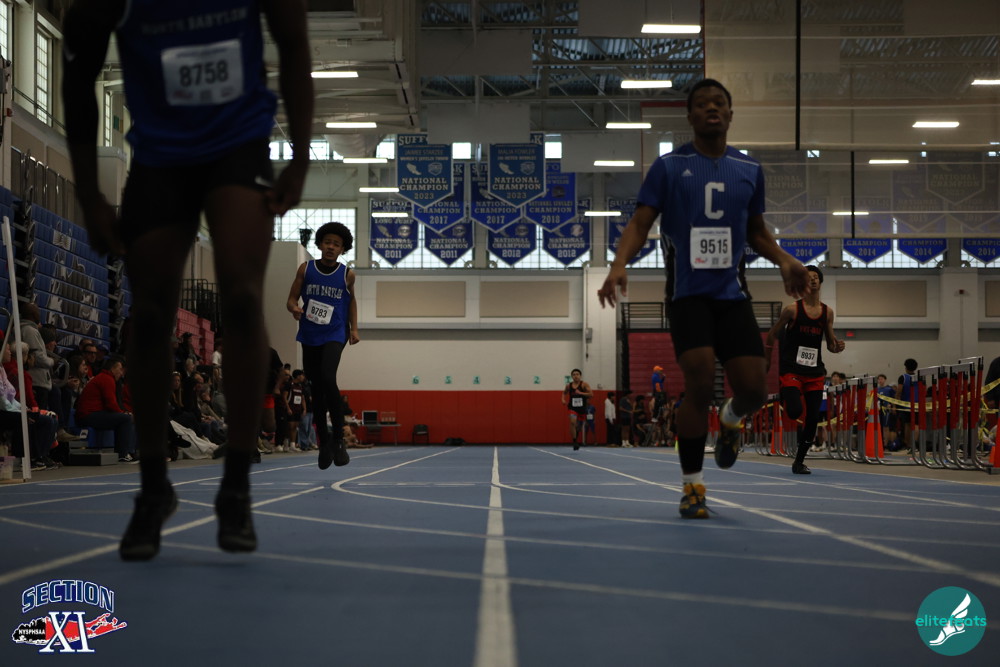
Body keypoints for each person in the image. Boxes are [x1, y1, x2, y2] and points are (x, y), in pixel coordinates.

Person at [63, 0, 313, 560]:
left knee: (243, 299)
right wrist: (88, 191)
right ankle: (154, 486)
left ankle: (237, 485)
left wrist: (299, 157)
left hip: (238, 144)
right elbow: (77, 76)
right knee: (150, 315)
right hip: (161, 155)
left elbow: (295, 45)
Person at [597, 78, 810, 519]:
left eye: (719, 103)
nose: (711, 109)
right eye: (702, 104)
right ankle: (692, 486)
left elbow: (756, 232)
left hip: (732, 295)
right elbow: (640, 223)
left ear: (730, 114)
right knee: (697, 381)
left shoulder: (748, 170)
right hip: (687, 294)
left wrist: (785, 259)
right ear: (690, 115)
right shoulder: (669, 167)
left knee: (754, 389)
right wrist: (618, 264)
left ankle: (730, 418)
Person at [287, 222, 360, 469]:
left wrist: (354, 328)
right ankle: (324, 442)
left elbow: (351, 301)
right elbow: (291, 299)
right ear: (320, 244)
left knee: (328, 377)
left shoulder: (347, 274)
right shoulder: (306, 269)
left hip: (335, 332)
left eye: (336, 244)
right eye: (327, 242)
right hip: (310, 333)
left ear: (342, 249)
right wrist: (294, 308)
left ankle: (339, 439)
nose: (331, 247)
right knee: (317, 389)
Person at [765, 266, 845, 474]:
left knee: (813, 419)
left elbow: (830, 344)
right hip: (791, 369)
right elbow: (772, 334)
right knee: (794, 411)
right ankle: (787, 396)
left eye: (816, 277)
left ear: (820, 282)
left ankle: (799, 462)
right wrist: (767, 360)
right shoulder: (792, 310)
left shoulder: (827, 313)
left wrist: (837, 347)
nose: (813, 280)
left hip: (814, 372)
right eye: (809, 278)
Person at [75, 356, 137, 463]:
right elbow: (111, 404)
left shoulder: (105, 378)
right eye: (120, 369)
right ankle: (122, 454)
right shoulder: (107, 379)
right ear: (112, 369)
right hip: (88, 415)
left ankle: (128, 451)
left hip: (91, 413)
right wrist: (124, 413)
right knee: (126, 419)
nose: (122, 373)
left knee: (126, 418)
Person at [561, 368, 592, 450]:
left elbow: (591, 394)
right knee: (572, 422)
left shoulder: (584, 384)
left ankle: (576, 438)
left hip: (582, 408)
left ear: (580, 376)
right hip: (572, 407)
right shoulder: (569, 386)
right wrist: (563, 399)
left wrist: (580, 393)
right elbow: (564, 393)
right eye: (574, 375)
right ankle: (574, 441)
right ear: (572, 376)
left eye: (577, 374)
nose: (576, 376)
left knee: (578, 427)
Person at [896, 358, 919, 452]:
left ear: (905, 367)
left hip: (906, 405)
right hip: (917, 405)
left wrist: (896, 403)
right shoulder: (919, 377)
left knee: (908, 425)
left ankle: (909, 445)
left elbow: (899, 391)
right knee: (916, 424)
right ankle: (915, 444)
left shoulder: (903, 377)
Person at [875, 374, 898, 451]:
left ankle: (886, 444)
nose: (880, 380)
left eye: (881, 379)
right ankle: (880, 443)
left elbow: (893, 399)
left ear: (885, 380)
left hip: (886, 410)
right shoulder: (876, 390)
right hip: (878, 410)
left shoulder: (889, 389)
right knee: (879, 426)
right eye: (879, 379)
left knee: (886, 426)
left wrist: (893, 407)